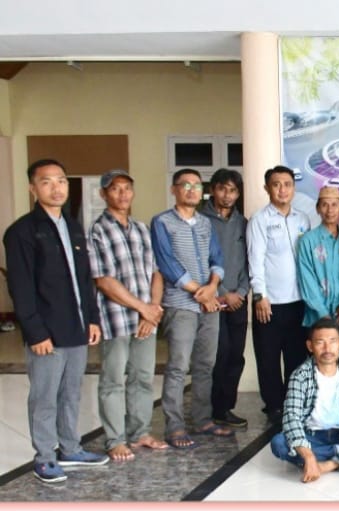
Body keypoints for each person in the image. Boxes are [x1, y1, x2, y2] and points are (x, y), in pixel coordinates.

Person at [5, 159, 108, 482]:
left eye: (61, 180)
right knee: (45, 396)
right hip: (46, 331)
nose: (56, 187)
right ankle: (45, 456)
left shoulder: (73, 227)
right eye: (46, 182)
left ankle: (71, 448)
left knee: (71, 393)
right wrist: (35, 331)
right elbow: (20, 287)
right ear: (33, 188)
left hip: (76, 326)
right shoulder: (22, 232)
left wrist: (92, 319)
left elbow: (84, 279)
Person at [88, 169, 167, 461]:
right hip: (116, 319)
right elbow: (103, 280)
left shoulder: (141, 229)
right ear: (103, 194)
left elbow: (156, 273)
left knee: (143, 377)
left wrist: (152, 310)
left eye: (127, 188)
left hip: (147, 320)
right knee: (113, 380)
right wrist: (143, 308)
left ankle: (140, 433)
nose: (122, 194)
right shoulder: (97, 230)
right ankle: (115, 439)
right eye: (115, 189)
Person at [152, 168, 232, 448]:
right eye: (185, 185)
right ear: (174, 189)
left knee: (205, 365)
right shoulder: (162, 222)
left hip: (210, 304)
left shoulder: (205, 223)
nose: (191, 190)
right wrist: (201, 292)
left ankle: (202, 419)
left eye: (197, 185)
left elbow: (217, 259)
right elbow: (167, 263)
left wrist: (212, 287)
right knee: (177, 367)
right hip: (181, 305)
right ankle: (174, 427)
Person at [270, 318, 339, 483]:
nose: (327, 348)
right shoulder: (300, 375)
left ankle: (327, 464)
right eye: (320, 342)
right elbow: (291, 418)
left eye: (332, 341)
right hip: (312, 436)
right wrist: (308, 455)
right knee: (278, 443)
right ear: (310, 346)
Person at [247, 165, 311, 422]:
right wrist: (259, 295)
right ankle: (274, 406)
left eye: (287, 184)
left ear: (293, 188)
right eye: (276, 184)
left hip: (299, 301)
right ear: (267, 188)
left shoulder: (302, 219)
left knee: (297, 357)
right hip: (270, 302)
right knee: (269, 358)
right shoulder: (260, 220)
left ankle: (294, 404)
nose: (282, 189)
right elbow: (255, 259)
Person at [201, 168, 251, 429]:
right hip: (211, 300)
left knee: (235, 356)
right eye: (222, 189)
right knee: (217, 356)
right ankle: (209, 409)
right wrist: (221, 294)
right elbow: (199, 263)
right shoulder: (201, 221)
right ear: (213, 190)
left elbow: (248, 262)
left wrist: (240, 293)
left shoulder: (243, 223)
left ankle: (225, 408)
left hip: (238, 301)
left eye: (232, 190)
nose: (227, 195)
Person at [297, 187, 339, 355]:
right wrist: (324, 315)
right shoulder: (308, 240)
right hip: (317, 317)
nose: (330, 210)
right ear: (317, 209)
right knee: (320, 363)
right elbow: (307, 280)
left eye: (334, 205)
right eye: (324, 205)